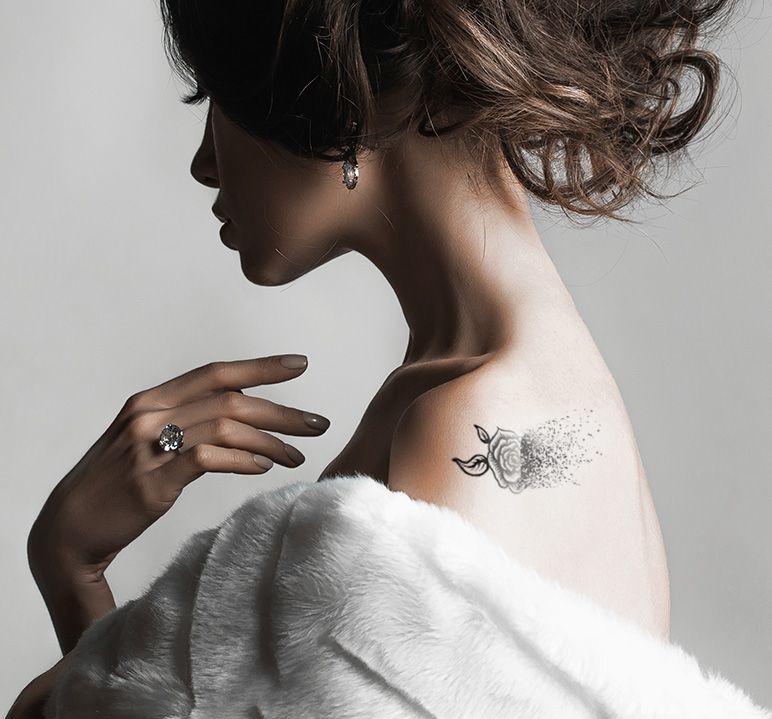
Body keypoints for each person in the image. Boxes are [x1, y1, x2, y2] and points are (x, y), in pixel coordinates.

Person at [9, 0, 754, 716]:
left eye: (219, 98)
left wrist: (72, 570)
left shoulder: (472, 419)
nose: (205, 162)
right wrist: (74, 575)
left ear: (357, 95)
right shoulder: (475, 392)